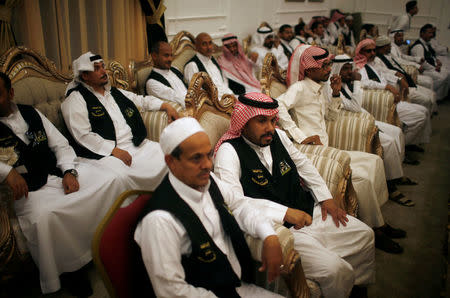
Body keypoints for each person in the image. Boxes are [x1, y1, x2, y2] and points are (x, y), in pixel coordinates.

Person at [214, 92, 375, 298]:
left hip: (309, 211)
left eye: (273, 120)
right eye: (262, 121)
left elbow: (303, 164)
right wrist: (285, 213)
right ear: (243, 122)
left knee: (364, 236)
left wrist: (325, 197)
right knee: (335, 271)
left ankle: (357, 289)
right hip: (283, 230)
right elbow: (233, 203)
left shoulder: (278, 136)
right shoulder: (229, 152)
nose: (270, 128)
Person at [0, 72, 128, 295]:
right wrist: (6, 171)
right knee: (46, 216)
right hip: (28, 189)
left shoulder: (31, 113)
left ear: (10, 93)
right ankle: (68, 271)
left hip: (56, 172)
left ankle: (109, 245)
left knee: (110, 180)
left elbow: (60, 144)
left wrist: (69, 171)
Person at [135, 117, 284, 297]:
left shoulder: (208, 180)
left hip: (237, 286)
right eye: (196, 158)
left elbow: (239, 204)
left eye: (208, 154)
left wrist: (269, 235)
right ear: (171, 162)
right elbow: (172, 292)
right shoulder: (160, 220)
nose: (208, 165)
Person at [277, 45, 406, 254]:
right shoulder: (300, 88)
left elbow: (332, 117)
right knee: (362, 179)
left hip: (328, 148)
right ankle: (378, 229)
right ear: (309, 70)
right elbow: (278, 105)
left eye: (329, 64)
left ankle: (378, 219)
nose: (329, 69)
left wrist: (336, 94)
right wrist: (299, 136)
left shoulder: (320, 88)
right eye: (324, 66)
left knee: (374, 161)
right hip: (312, 152)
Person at [62, 52, 179, 191]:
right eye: (96, 69)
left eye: (102, 67)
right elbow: (83, 135)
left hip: (136, 145)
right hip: (106, 155)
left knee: (171, 156)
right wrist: (113, 150)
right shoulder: (75, 99)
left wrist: (166, 106)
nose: (103, 71)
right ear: (85, 76)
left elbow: (140, 100)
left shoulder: (113, 92)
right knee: (124, 177)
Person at [331, 55, 417, 207]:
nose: (349, 72)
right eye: (345, 68)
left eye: (350, 68)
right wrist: (357, 81)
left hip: (364, 118)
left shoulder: (345, 84)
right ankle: (391, 186)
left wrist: (353, 82)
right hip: (355, 123)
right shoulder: (333, 87)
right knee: (389, 143)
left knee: (396, 132)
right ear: (337, 69)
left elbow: (357, 105)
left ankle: (396, 175)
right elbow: (356, 107)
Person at [354, 39, 432, 149]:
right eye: (368, 51)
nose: (372, 53)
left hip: (391, 98)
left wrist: (398, 79)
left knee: (423, 111)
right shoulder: (358, 67)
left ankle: (411, 142)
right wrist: (387, 86)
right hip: (383, 102)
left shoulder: (372, 63)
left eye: (373, 50)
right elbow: (364, 82)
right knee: (420, 117)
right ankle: (405, 146)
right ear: (361, 52)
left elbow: (384, 73)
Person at [375, 35, 437, 114]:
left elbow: (401, 60)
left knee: (432, 94)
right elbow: (383, 72)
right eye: (389, 46)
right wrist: (397, 75)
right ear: (383, 47)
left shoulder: (388, 55)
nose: (391, 47)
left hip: (407, 82)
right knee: (426, 100)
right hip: (400, 87)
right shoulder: (377, 60)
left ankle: (429, 114)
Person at [184, 32, 234, 99]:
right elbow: (197, 92)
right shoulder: (192, 65)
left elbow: (223, 82)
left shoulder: (213, 60)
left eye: (210, 43)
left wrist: (230, 95)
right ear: (196, 47)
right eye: (204, 44)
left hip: (227, 97)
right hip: (213, 104)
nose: (209, 47)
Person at [409, 24, 450, 101]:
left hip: (429, 67)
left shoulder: (427, 44)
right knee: (441, 78)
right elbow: (422, 63)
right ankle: (431, 95)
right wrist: (434, 68)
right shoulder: (419, 46)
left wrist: (437, 61)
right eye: (429, 33)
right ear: (422, 33)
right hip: (422, 70)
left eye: (431, 33)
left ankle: (439, 96)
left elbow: (431, 56)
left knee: (447, 73)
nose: (431, 35)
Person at [145, 41, 187, 108]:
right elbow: (178, 99)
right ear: (154, 56)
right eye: (166, 55)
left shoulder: (175, 70)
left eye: (171, 55)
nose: (170, 59)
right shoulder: (152, 83)